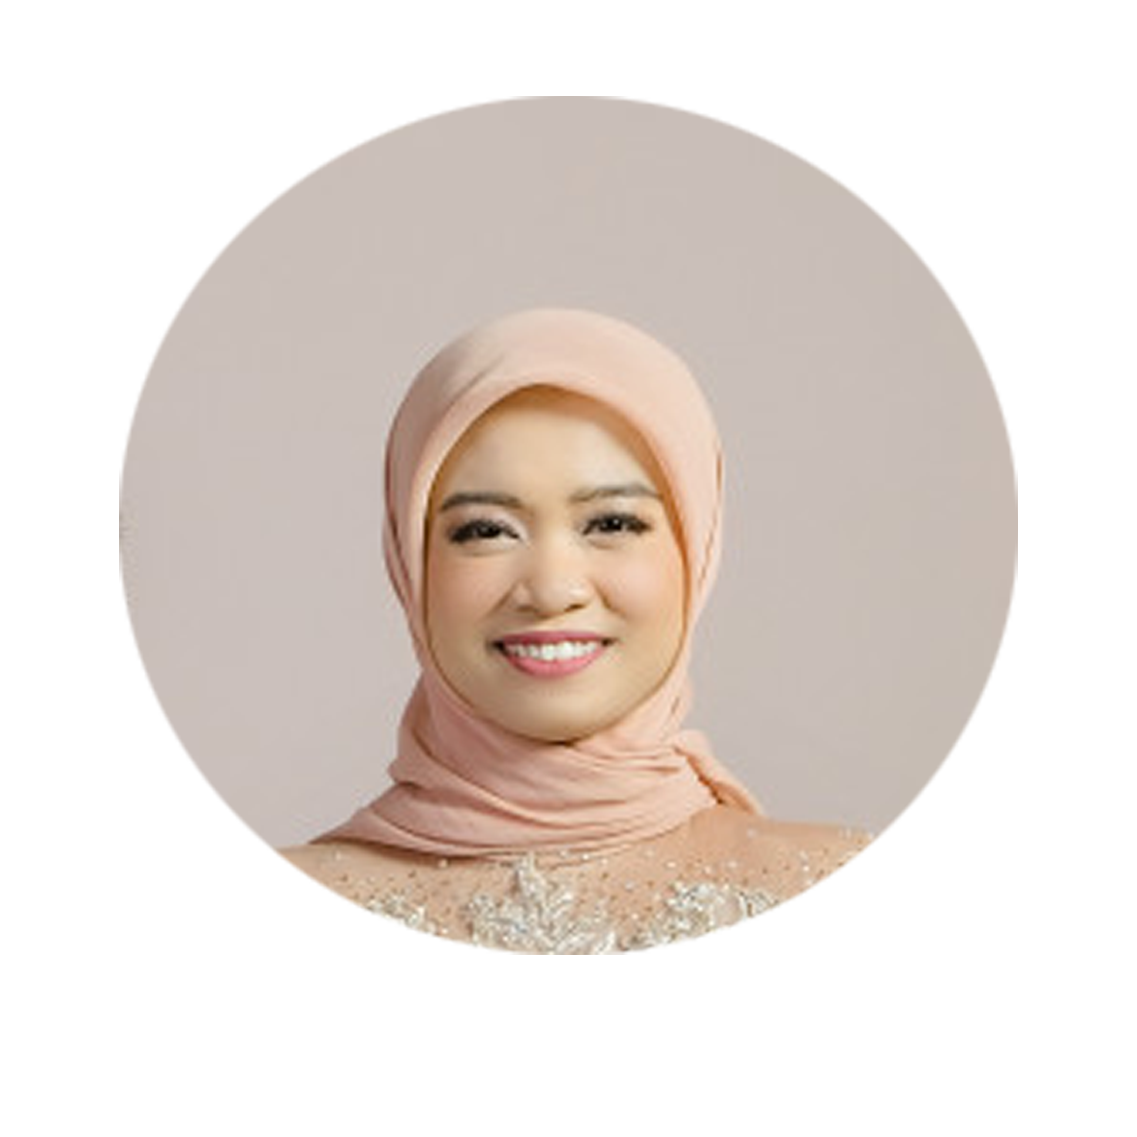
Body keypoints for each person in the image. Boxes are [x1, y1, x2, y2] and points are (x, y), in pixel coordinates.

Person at [272, 308, 881, 954]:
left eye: (612, 523)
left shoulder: (825, 882)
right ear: (410, 561)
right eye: (485, 530)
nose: (552, 589)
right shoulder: (316, 901)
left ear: (696, 547)